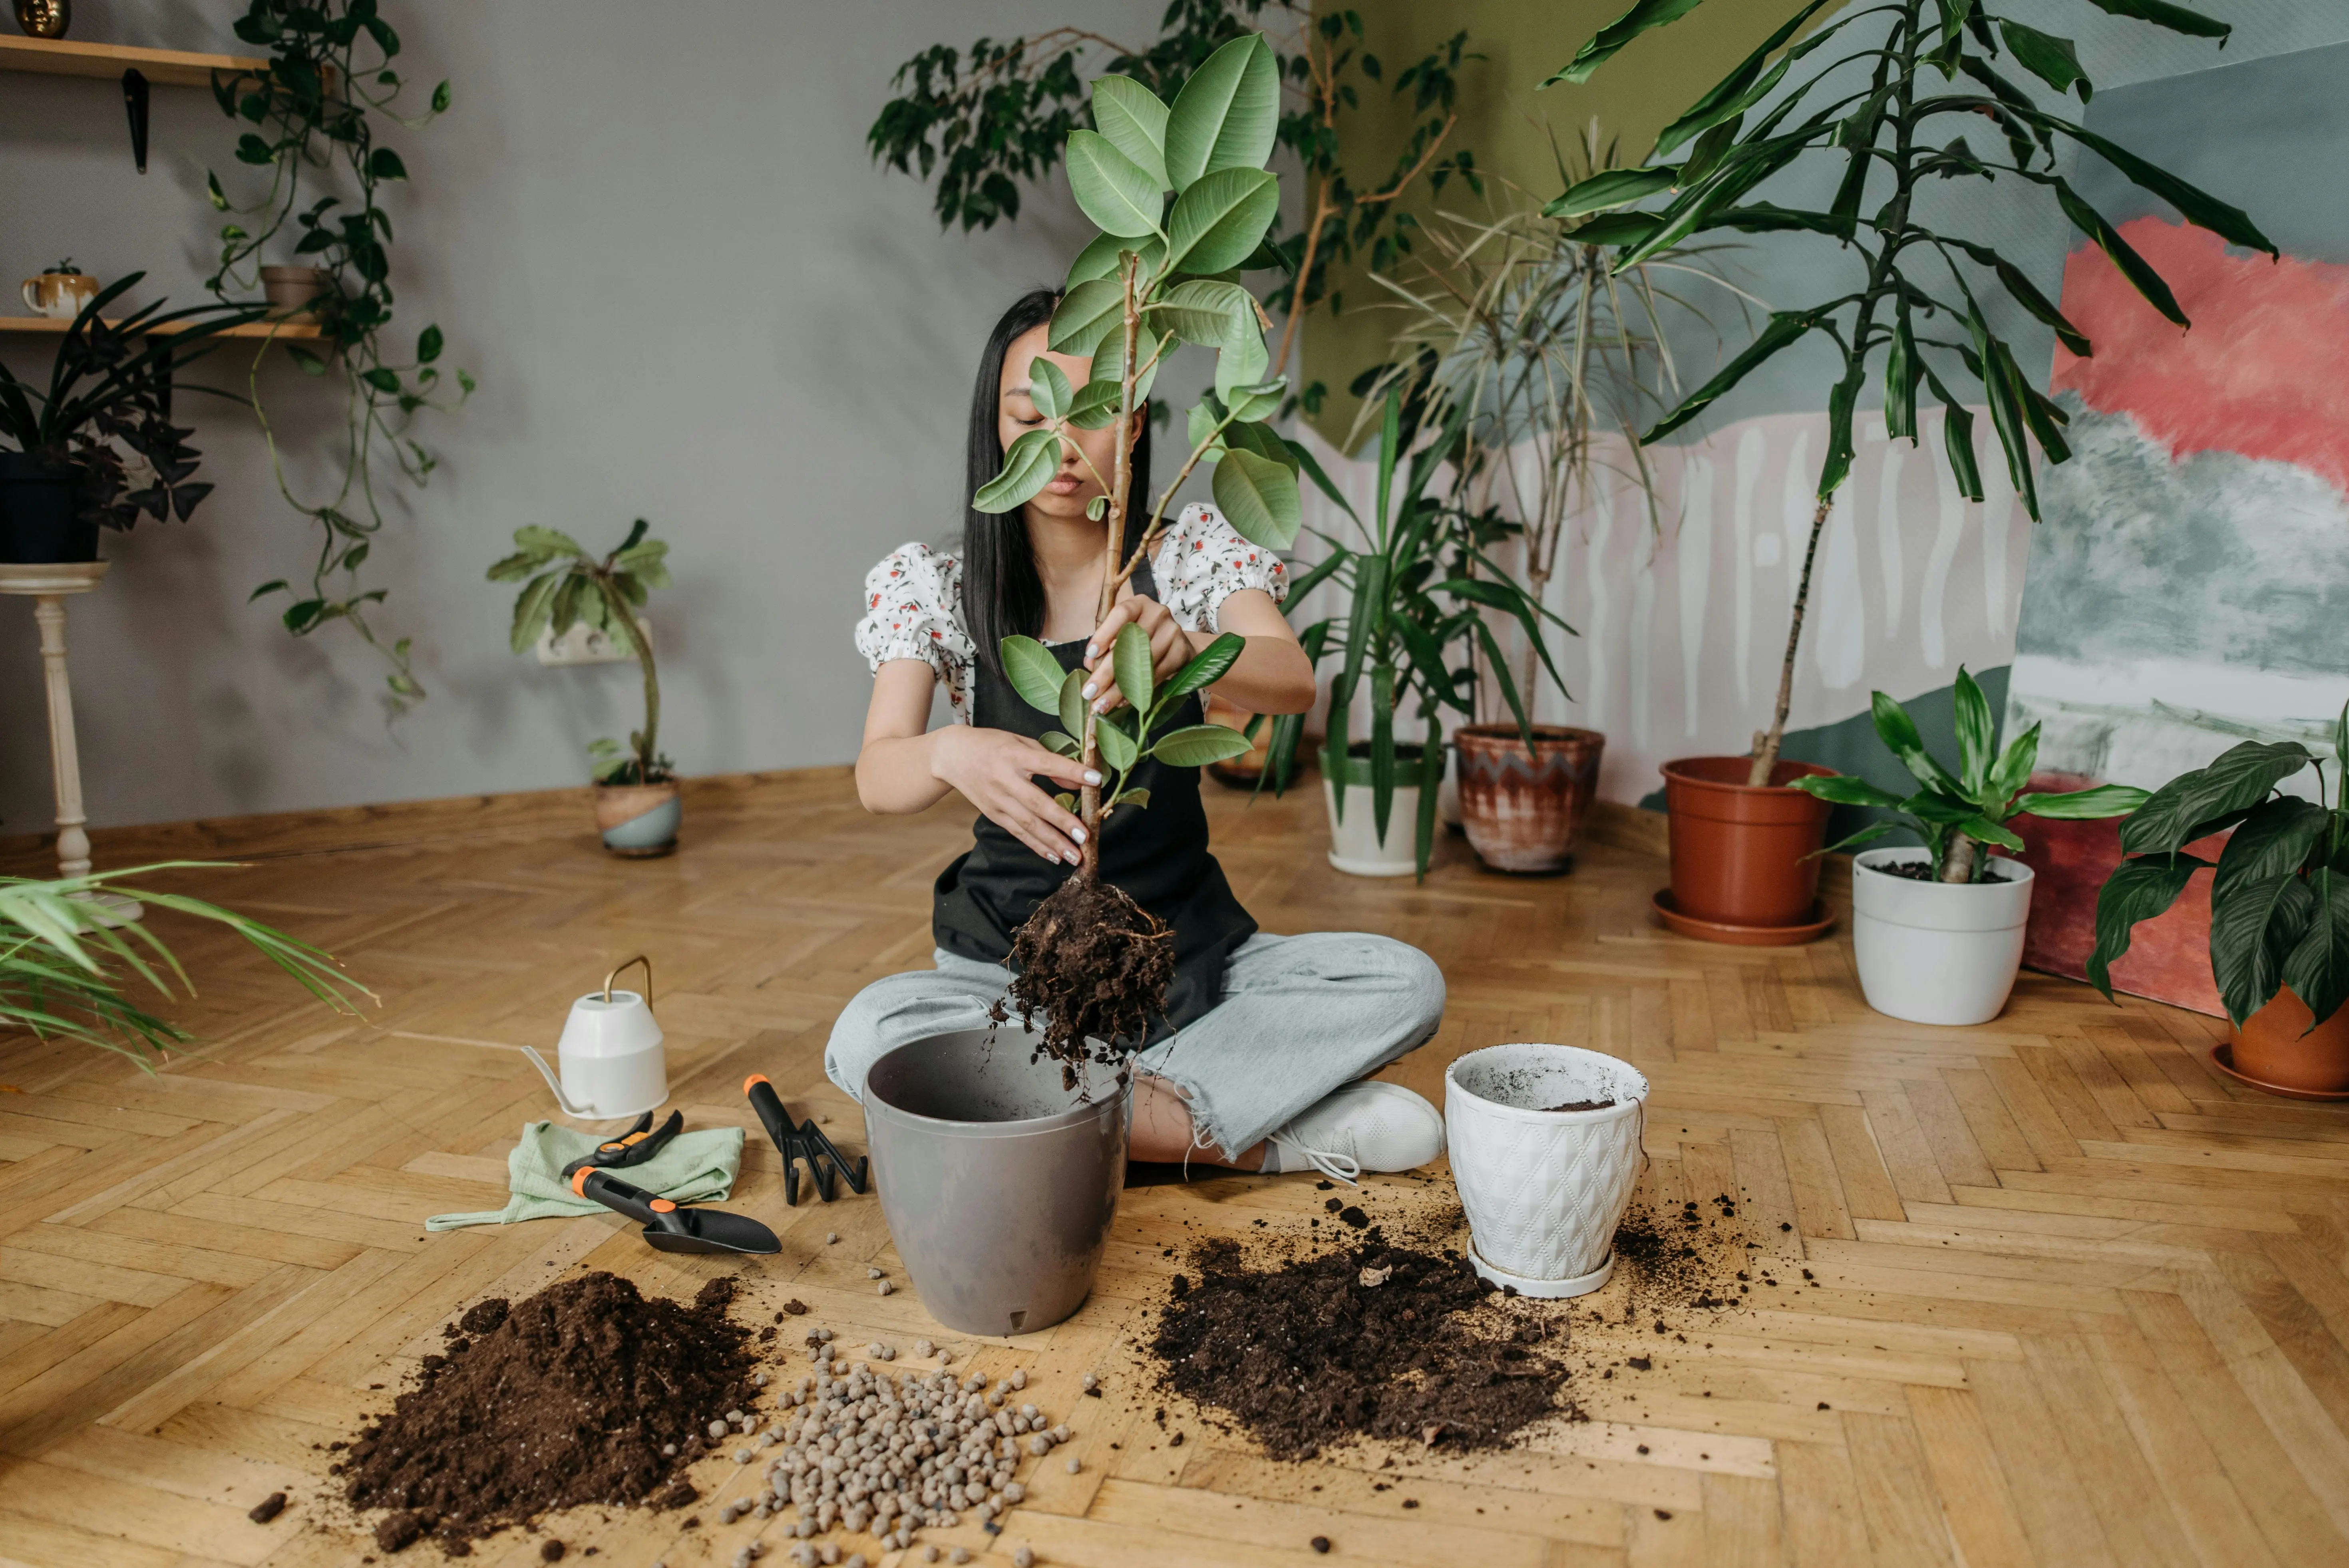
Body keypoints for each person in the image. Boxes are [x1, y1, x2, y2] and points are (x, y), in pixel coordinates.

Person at [829, 288, 1446, 1184]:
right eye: (1028, 415)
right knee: (866, 1036)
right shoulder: (938, 587)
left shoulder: (1190, 553)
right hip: (999, 974)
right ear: (993, 432)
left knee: (1403, 983)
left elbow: (1290, 680)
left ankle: (1040, 1119)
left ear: (1140, 423)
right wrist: (946, 752)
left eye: (1093, 415)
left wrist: (1188, 644)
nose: (1062, 446)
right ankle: (1258, 1136)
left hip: (1184, 957)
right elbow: (876, 774)